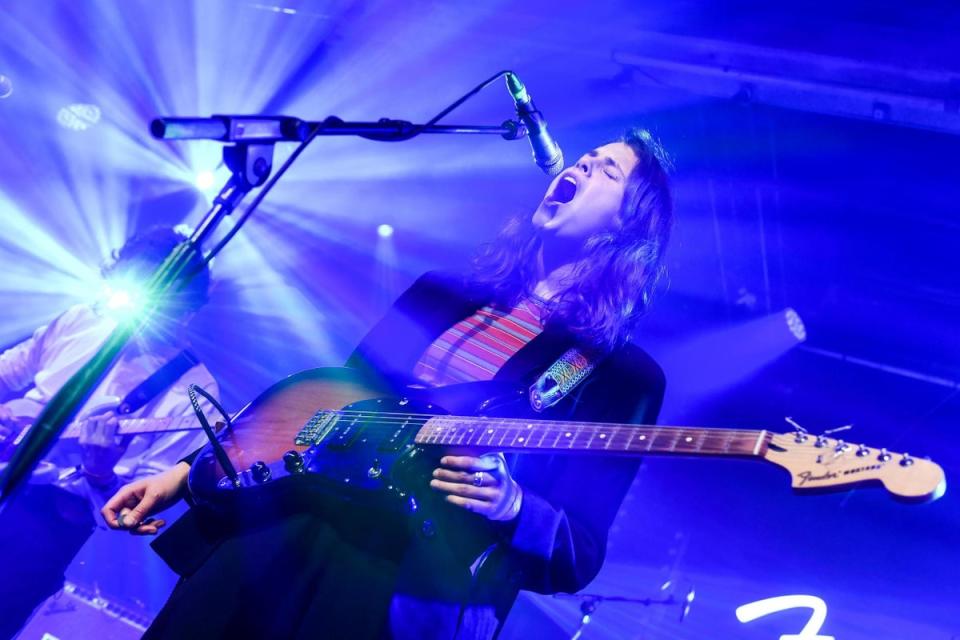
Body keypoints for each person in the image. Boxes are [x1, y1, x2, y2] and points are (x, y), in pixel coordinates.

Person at [103, 128, 674, 640]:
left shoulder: (618, 372)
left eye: (606, 170)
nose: (578, 165)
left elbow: (582, 548)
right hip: (277, 528)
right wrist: (188, 471)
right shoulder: (442, 293)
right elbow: (319, 403)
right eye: (583, 155)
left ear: (629, 226)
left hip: (393, 585)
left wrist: (515, 505)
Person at [0, 227, 219, 640]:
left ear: (186, 305)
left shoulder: (194, 392)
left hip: (44, 526)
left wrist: (100, 474)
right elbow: (9, 371)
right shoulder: (82, 319)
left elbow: (127, 513)